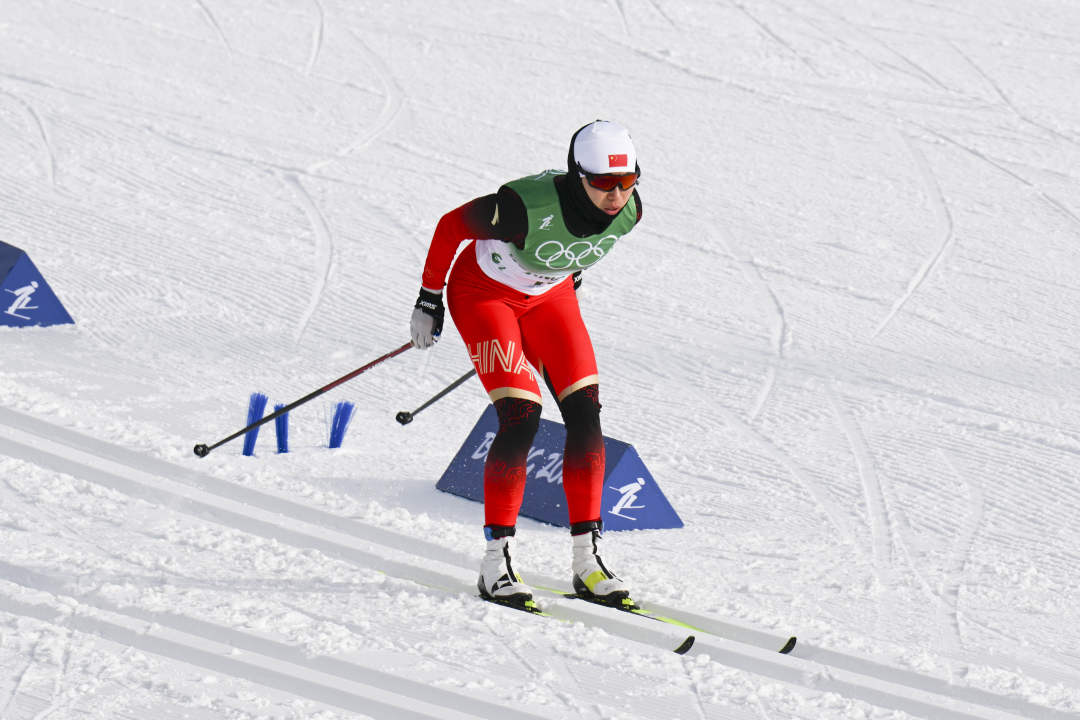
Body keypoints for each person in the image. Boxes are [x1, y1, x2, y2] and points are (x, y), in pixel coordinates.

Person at [409, 120, 643, 608]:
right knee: (522, 416)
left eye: (627, 181)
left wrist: (568, 269)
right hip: (484, 295)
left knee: (586, 413)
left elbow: (583, 244)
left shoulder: (630, 212)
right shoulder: (522, 206)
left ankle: (587, 561)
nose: (616, 195)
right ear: (577, 175)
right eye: (604, 182)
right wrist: (430, 298)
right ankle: (495, 562)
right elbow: (451, 225)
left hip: (549, 300)